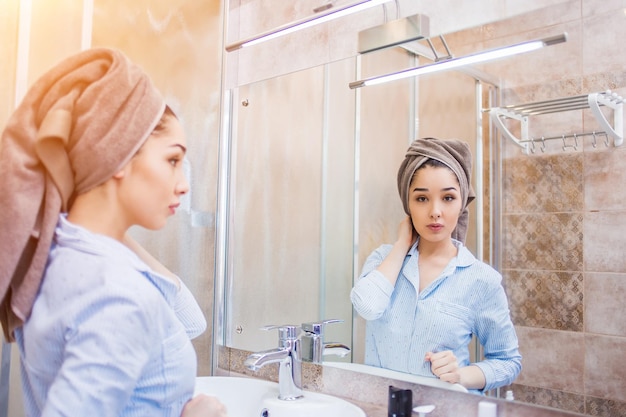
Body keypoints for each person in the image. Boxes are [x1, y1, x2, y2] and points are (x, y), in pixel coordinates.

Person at [0, 48, 227, 416]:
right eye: (172, 160)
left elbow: (187, 322)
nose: (184, 185)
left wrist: (110, 229)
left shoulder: (47, 258)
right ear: (120, 155)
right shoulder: (117, 292)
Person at [351, 137, 521, 394]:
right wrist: (402, 244)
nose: (435, 211)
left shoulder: (481, 280)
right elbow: (367, 306)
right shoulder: (382, 260)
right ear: (407, 204)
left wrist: (461, 375)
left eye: (448, 198)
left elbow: (508, 362)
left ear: (462, 202)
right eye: (421, 199)